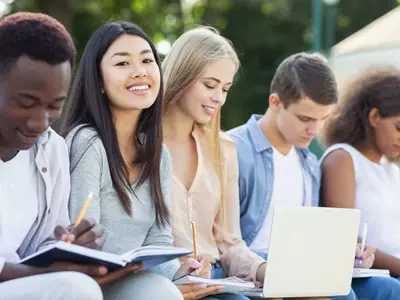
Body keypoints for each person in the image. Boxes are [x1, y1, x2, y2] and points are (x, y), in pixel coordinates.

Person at [61, 21, 215, 300]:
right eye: (122, 64)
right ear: (98, 81)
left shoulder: (156, 153)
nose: (140, 71)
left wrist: (183, 271)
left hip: (130, 282)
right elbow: (82, 247)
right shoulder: (87, 143)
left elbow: (158, 242)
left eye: (147, 60)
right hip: (84, 286)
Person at [162, 26, 280, 300]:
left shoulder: (223, 150)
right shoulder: (141, 146)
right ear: (183, 76)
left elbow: (229, 242)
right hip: (167, 284)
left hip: (215, 281)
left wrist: (265, 271)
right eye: (210, 85)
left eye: (225, 88)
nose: (219, 98)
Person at [0, 12, 106, 300]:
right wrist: (54, 274)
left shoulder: (51, 150)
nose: (40, 121)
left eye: (54, 105)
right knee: (75, 290)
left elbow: (42, 244)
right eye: (27, 103)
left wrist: (71, 244)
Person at [320, 68, 400, 298]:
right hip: (364, 276)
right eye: (398, 127)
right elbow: (342, 234)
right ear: (374, 117)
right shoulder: (343, 158)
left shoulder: (392, 169)